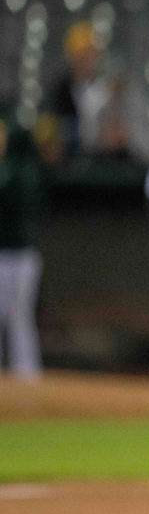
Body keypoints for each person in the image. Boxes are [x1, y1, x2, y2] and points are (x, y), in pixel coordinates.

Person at [0, 109, 45, 378]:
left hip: (9, 257)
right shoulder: (34, 172)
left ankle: (26, 376)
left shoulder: (13, 173)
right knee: (20, 320)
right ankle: (27, 375)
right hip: (26, 257)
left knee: (15, 319)